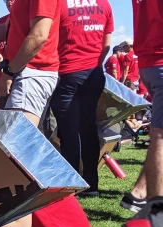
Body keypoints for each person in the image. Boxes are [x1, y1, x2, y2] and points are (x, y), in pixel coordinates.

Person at [49, 0, 113, 197]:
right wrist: (93, 64)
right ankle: (91, 183)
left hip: (67, 71)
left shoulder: (59, 4)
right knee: (88, 128)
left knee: (69, 131)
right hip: (94, 73)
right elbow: (107, 44)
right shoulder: (105, 4)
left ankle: (71, 184)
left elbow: (50, 37)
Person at [121, 0, 163, 211]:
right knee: (160, 135)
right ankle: (156, 209)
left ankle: (139, 192)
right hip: (158, 59)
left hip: (150, 61)